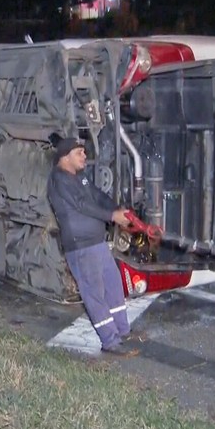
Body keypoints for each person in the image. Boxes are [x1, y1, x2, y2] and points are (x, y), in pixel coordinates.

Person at [47, 137, 139, 356]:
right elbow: (82, 205)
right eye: (79, 152)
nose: (84, 156)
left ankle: (122, 331)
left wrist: (118, 209)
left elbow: (96, 195)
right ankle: (110, 341)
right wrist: (112, 216)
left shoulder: (79, 177)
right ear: (65, 156)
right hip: (81, 247)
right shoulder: (59, 179)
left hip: (96, 244)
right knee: (94, 293)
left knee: (113, 284)